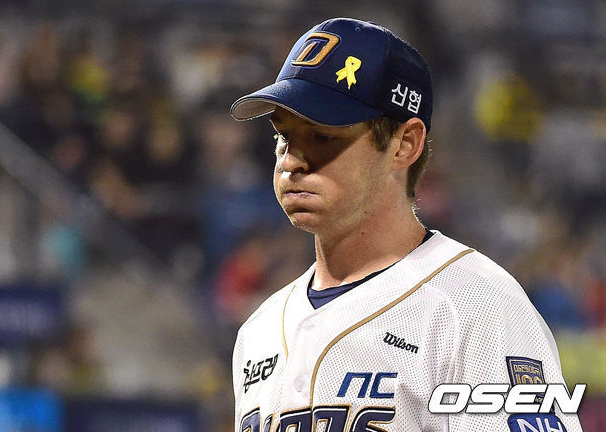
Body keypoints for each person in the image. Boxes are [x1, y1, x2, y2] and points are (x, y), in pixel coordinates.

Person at [229, 18, 582, 432]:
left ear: (405, 144)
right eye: (283, 137)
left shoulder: (476, 307)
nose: (291, 162)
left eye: (322, 136)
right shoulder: (258, 331)